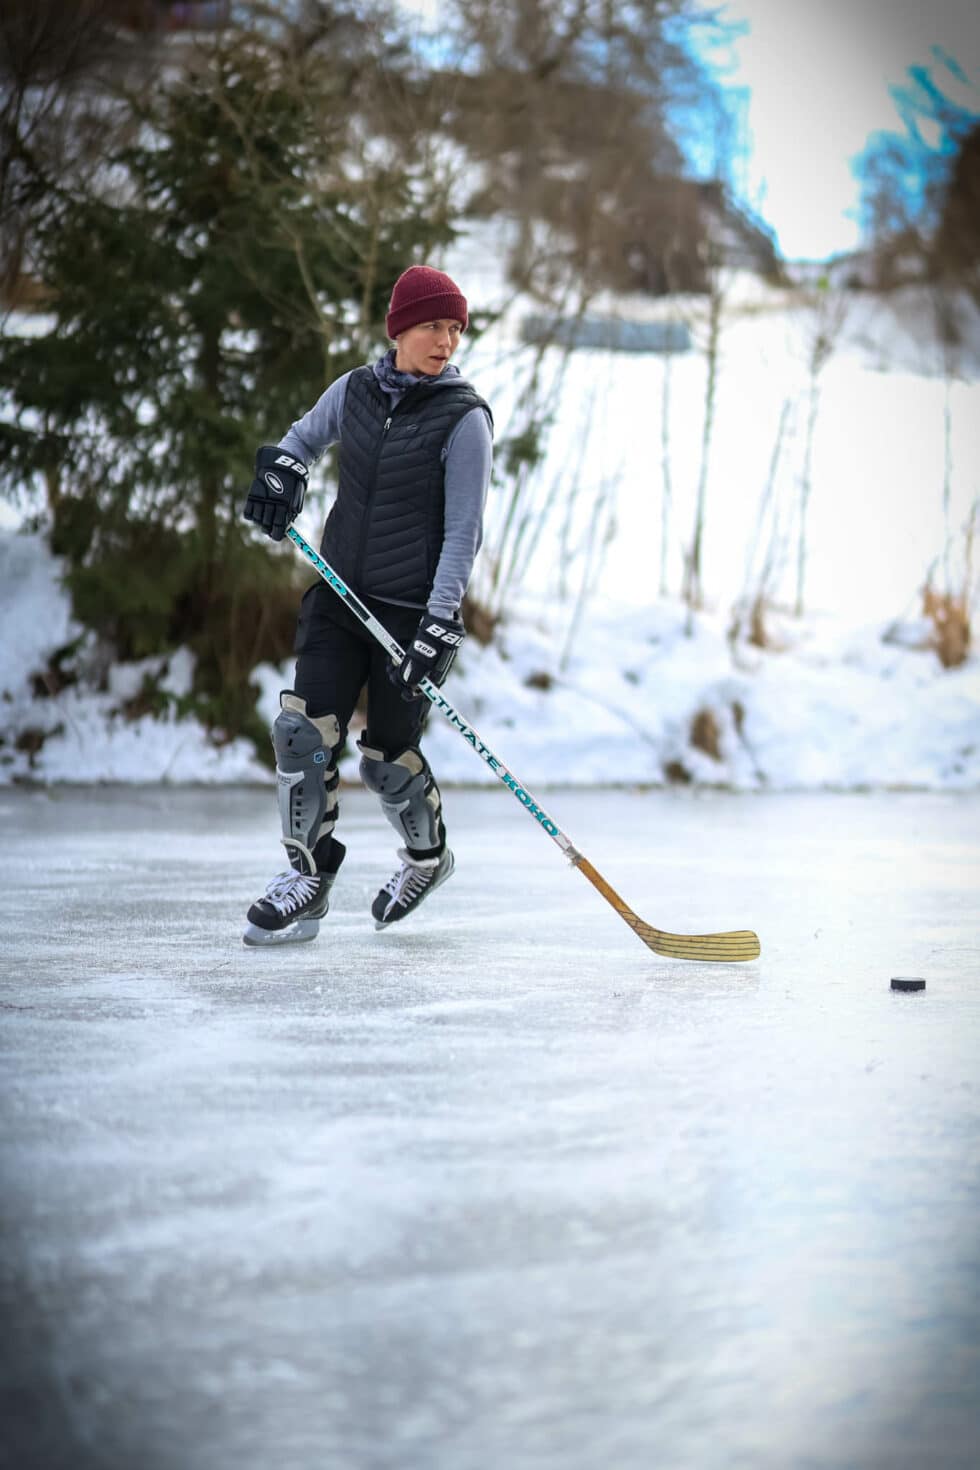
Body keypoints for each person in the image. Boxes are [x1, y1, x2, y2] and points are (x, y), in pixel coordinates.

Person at [241, 265, 493, 946]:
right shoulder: (353, 389)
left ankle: (427, 858)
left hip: (410, 614)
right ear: (399, 329)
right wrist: (281, 475)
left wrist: (440, 623)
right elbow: (299, 443)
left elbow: (463, 533)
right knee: (302, 735)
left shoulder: (464, 418)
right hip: (339, 591)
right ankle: (307, 877)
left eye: (454, 328)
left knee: (387, 757)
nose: (445, 340)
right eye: (433, 325)